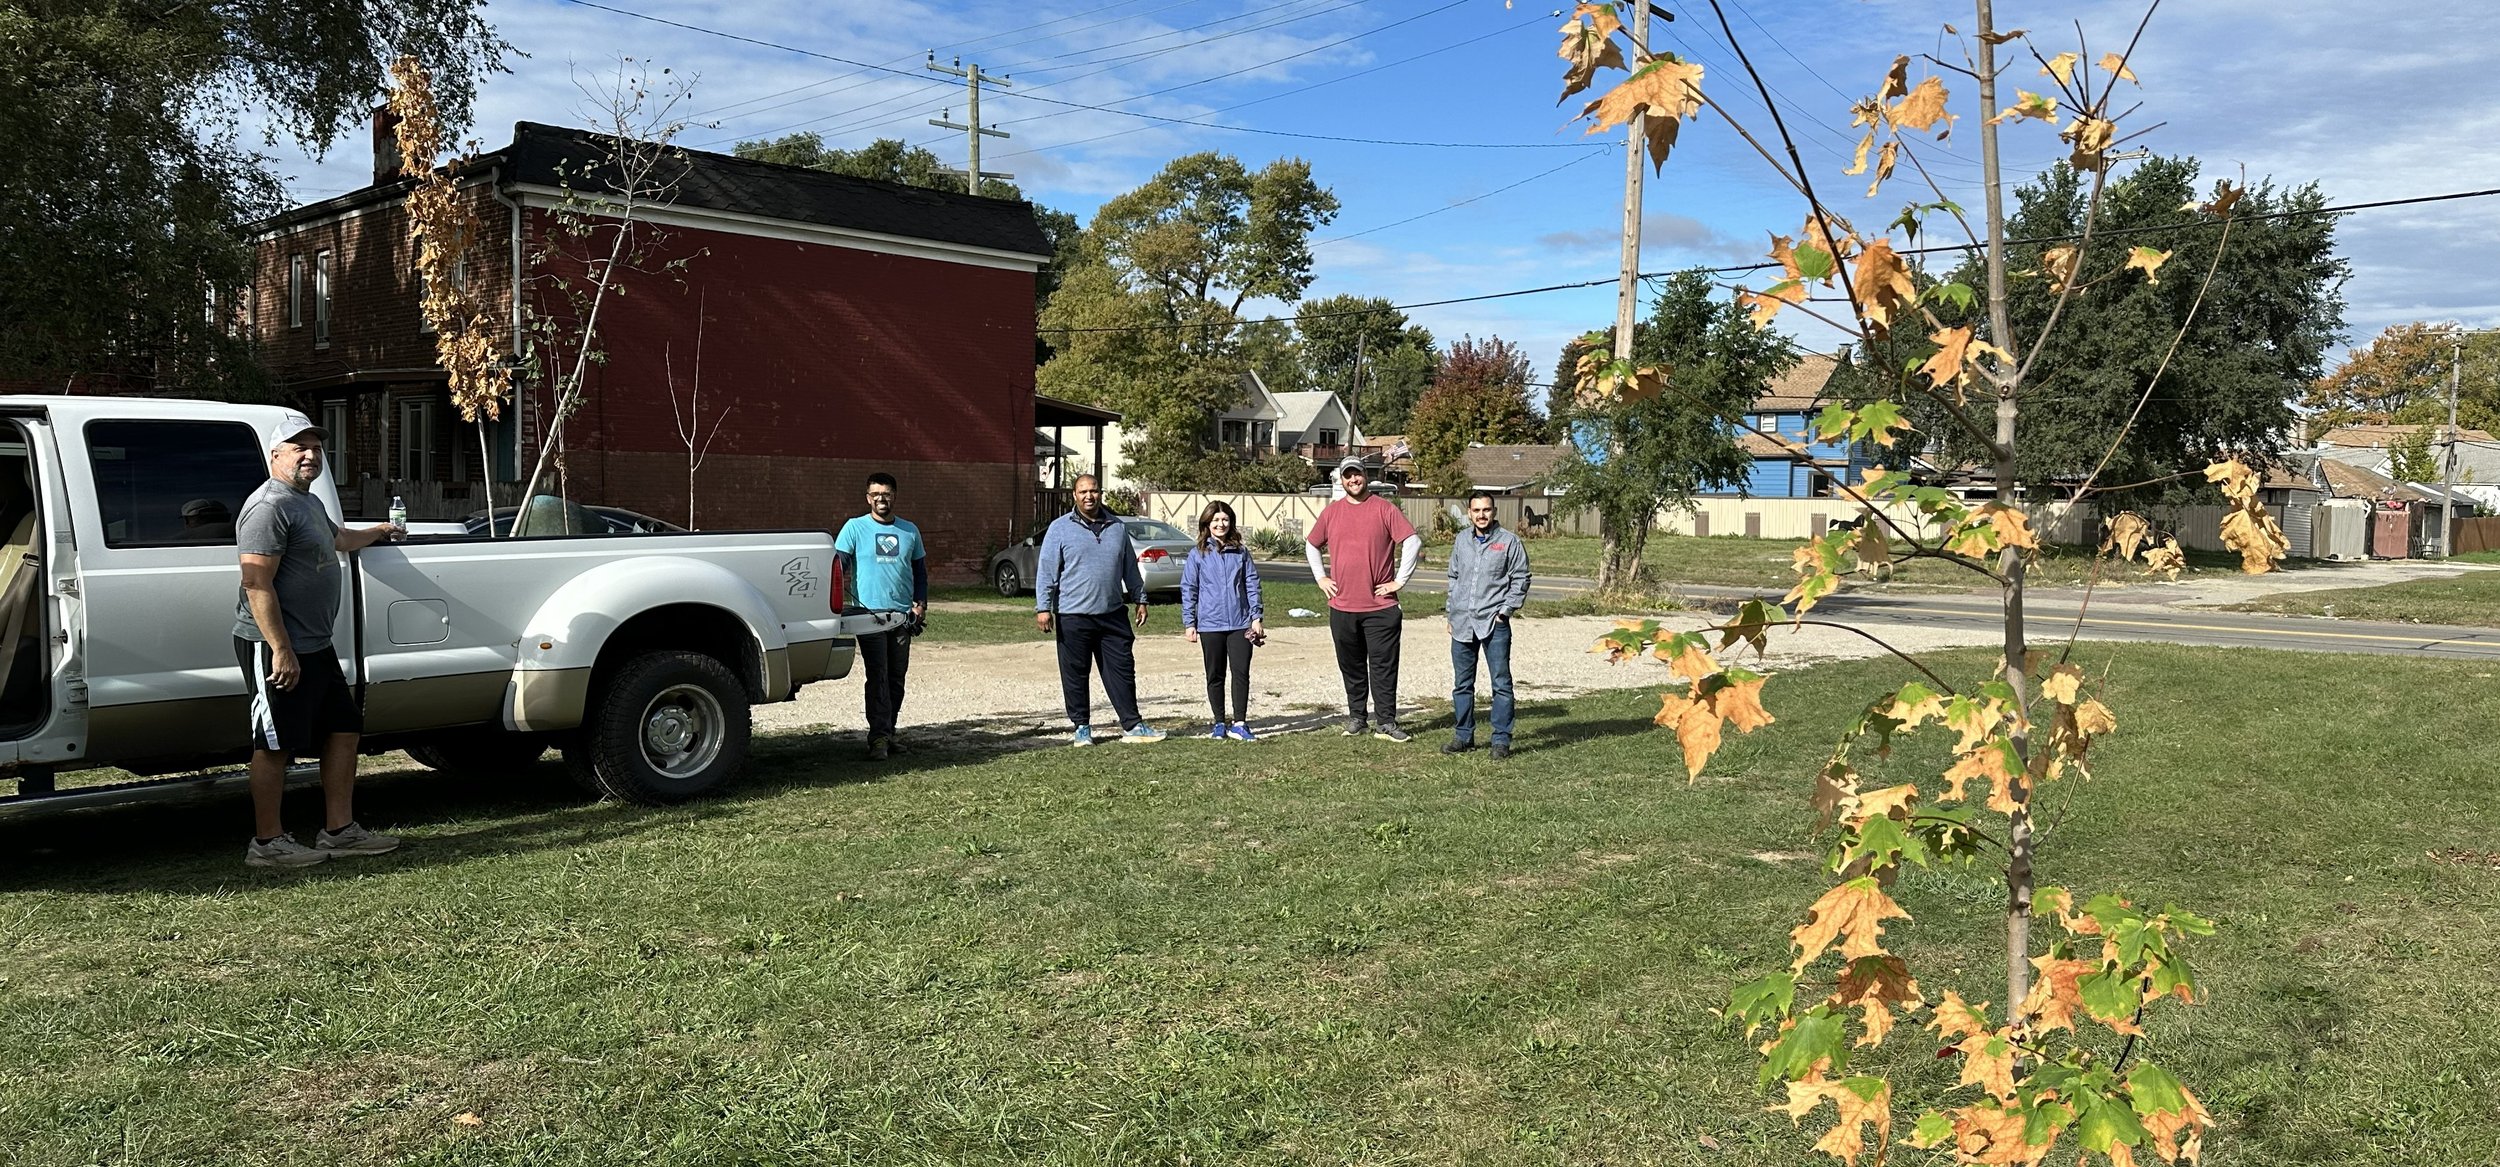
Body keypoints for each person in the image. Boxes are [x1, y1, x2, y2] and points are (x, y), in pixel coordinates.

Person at [233, 418, 404, 868]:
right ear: (275, 456)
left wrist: (379, 532)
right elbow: (255, 584)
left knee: (343, 729)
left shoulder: (304, 502)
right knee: (275, 743)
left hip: (315, 645)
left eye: (315, 448)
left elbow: (339, 538)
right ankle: (268, 844)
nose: (310, 455)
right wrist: (281, 650)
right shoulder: (268, 507)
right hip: (277, 646)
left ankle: (339, 831)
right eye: (298, 448)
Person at [1034, 475, 1167, 746]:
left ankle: (1132, 725)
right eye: (1083, 491)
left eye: (1093, 490)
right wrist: (1043, 607)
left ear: (1100, 493)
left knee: (1122, 669)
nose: (1089, 496)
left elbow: (1130, 566)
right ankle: (1082, 727)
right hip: (1073, 614)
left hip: (1112, 613)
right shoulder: (1059, 528)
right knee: (1075, 672)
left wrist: (1141, 598)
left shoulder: (1117, 526)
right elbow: (1047, 570)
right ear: (1074, 495)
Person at [1305, 456, 1420, 741]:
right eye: (1348, 476)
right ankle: (1357, 717)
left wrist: (1399, 581)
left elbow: (1412, 541)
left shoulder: (1384, 509)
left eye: (1357, 475)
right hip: (1342, 606)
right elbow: (1311, 544)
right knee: (1351, 666)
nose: (1353, 480)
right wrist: (1321, 578)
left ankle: (1386, 722)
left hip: (1381, 608)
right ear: (1341, 480)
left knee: (1383, 666)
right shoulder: (1332, 512)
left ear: (1365, 476)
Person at [833, 472, 926, 760]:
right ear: (868, 498)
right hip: (868, 615)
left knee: (897, 677)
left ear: (894, 496)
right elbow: (838, 566)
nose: (881, 499)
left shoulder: (910, 531)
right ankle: (878, 738)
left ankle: (889, 731)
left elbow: (920, 572)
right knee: (878, 676)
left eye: (886, 494)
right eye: (875, 494)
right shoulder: (854, 528)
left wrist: (920, 604)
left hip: (901, 617)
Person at [1443, 492, 1532, 760]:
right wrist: (1450, 613)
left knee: (1501, 684)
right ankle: (1463, 736)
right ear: (1469, 512)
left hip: (1494, 623)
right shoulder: (1461, 541)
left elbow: (1521, 578)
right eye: (1476, 510)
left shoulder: (1508, 542)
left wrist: (1504, 613)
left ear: (1494, 512)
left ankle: (1501, 741)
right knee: (1462, 684)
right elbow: (1453, 577)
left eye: (1486, 510)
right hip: (1462, 622)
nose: (1481, 515)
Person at [1180, 500, 1265, 742]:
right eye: (1216, 520)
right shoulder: (1198, 554)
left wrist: (1256, 617)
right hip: (1210, 624)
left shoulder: (1241, 552)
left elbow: (1252, 584)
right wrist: (1190, 622)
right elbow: (1189, 589)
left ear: (1231, 522)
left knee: (1241, 673)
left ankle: (1239, 723)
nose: (1221, 524)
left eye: (1225, 519)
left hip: (1240, 623)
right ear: (1207, 523)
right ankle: (1219, 722)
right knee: (1215, 674)